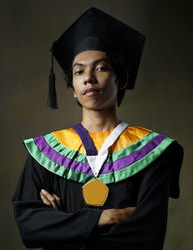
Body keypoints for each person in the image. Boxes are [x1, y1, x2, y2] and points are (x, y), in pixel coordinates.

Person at [12, 7, 184, 250]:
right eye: (78, 71)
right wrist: (101, 218)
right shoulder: (44, 154)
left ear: (121, 79)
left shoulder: (152, 152)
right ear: (72, 87)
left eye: (101, 68)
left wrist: (64, 226)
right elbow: (28, 227)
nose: (88, 78)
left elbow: (147, 235)